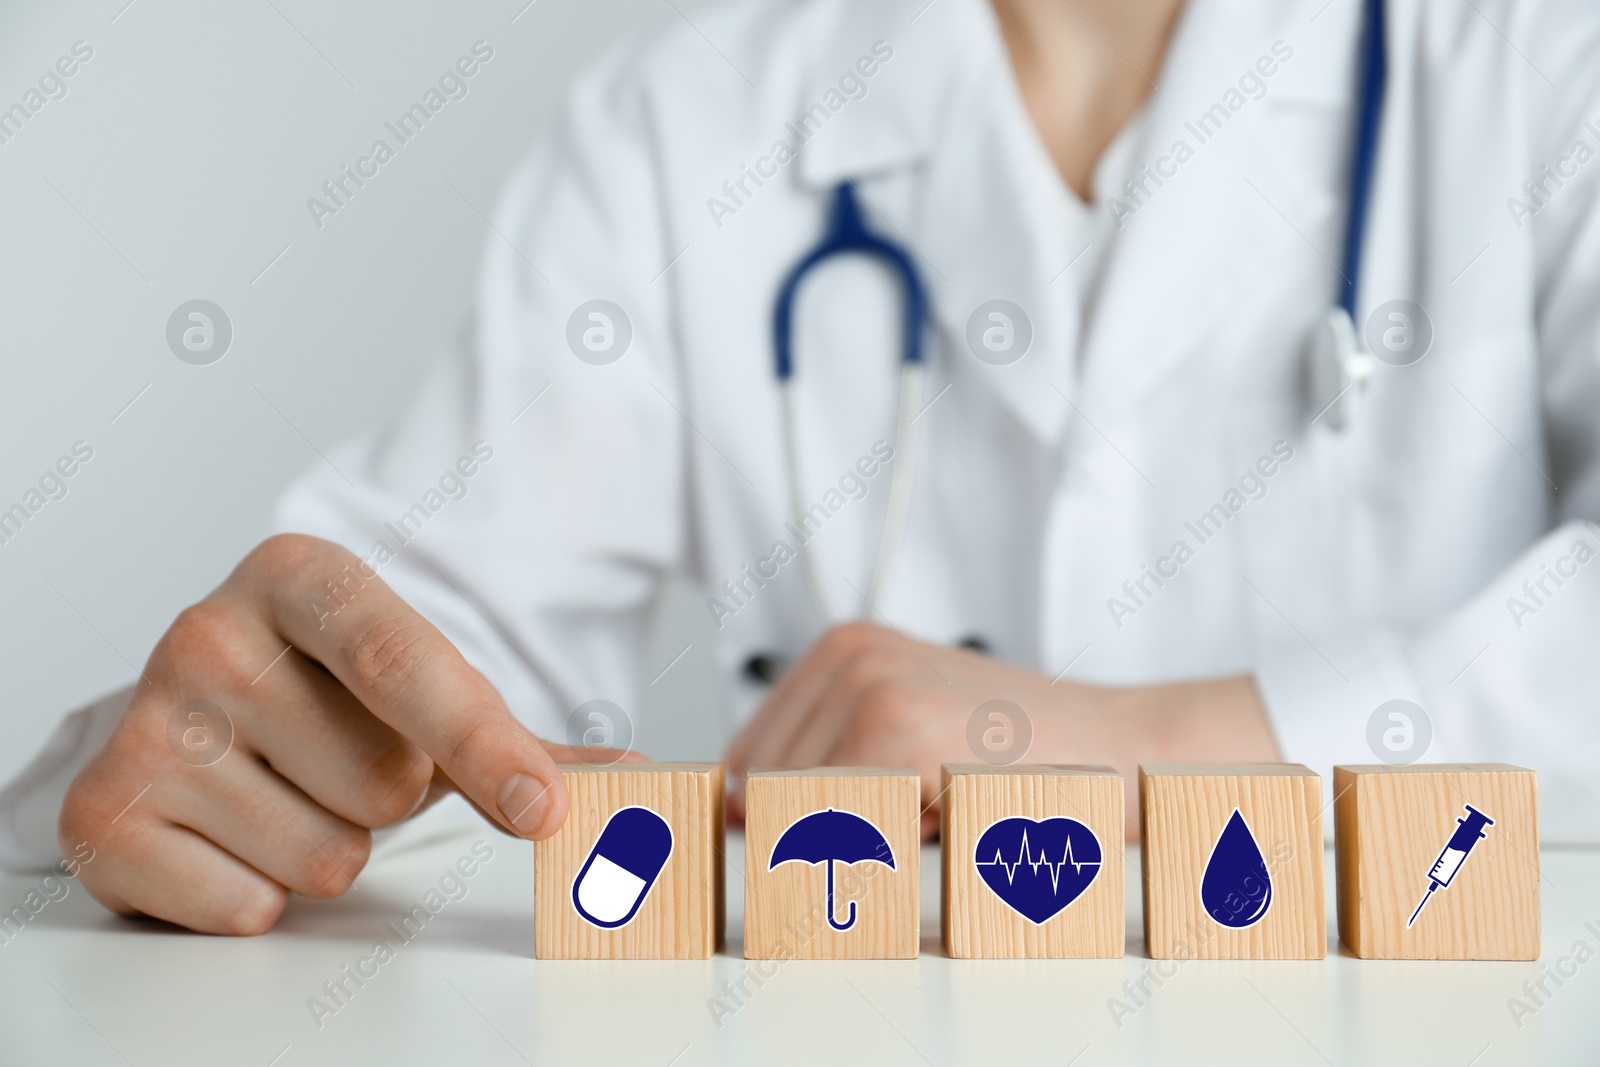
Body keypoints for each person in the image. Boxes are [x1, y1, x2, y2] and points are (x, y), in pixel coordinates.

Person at [3, 0, 1599, 936]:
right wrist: (238, 750)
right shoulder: (685, 126)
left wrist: (1161, 747)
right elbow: (425, 672)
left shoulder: (1539, 57)